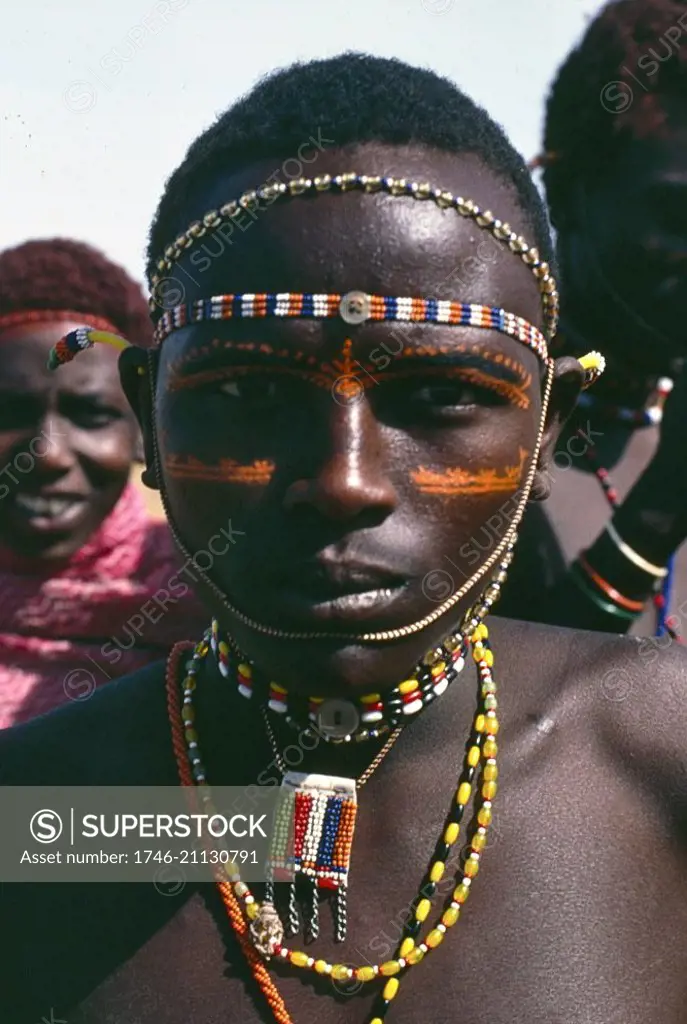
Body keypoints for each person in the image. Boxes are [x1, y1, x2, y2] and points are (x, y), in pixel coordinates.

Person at [1, 53, 686, 1024]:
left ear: (543, 429)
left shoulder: (663, 751)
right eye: (249, 391)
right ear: (152, 419)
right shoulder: (32, 815)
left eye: (442, 394)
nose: (343, 480)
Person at [500, 0, 687, 640]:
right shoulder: (462, 427)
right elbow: (497, 727)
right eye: (678, 214)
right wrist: (658, 513)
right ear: (573, 191)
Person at [0, 238, 205, 727]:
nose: (46, 454)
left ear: (143, 429)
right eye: (8, 413)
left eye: (90, 414)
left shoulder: (218, 599)